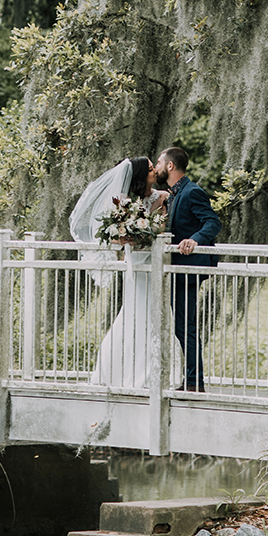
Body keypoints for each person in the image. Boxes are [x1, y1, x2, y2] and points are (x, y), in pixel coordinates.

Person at [68, 157, 165, 390]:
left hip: (153, 263)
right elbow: (110, 233)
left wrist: (143, 232)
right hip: (135, 265)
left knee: (155, 314)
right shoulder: (124, 202)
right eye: (151, 169)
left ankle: (153, 371)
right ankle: (117, 371)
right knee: (134, 314)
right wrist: (124, 236)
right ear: (141, 176)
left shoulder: (162, 197)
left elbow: (160, 229)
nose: (155, 171)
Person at [154, 146, 220, 392]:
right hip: (176, 271)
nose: (158, 167)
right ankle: (192, 380)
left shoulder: (192, 192)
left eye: (160, 163)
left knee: (186, 327)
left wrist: (195, 240)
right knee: (183, 327)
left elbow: (212, 222)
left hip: (188, 271)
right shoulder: (171, 195)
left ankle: (194, 383)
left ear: (170, 166)